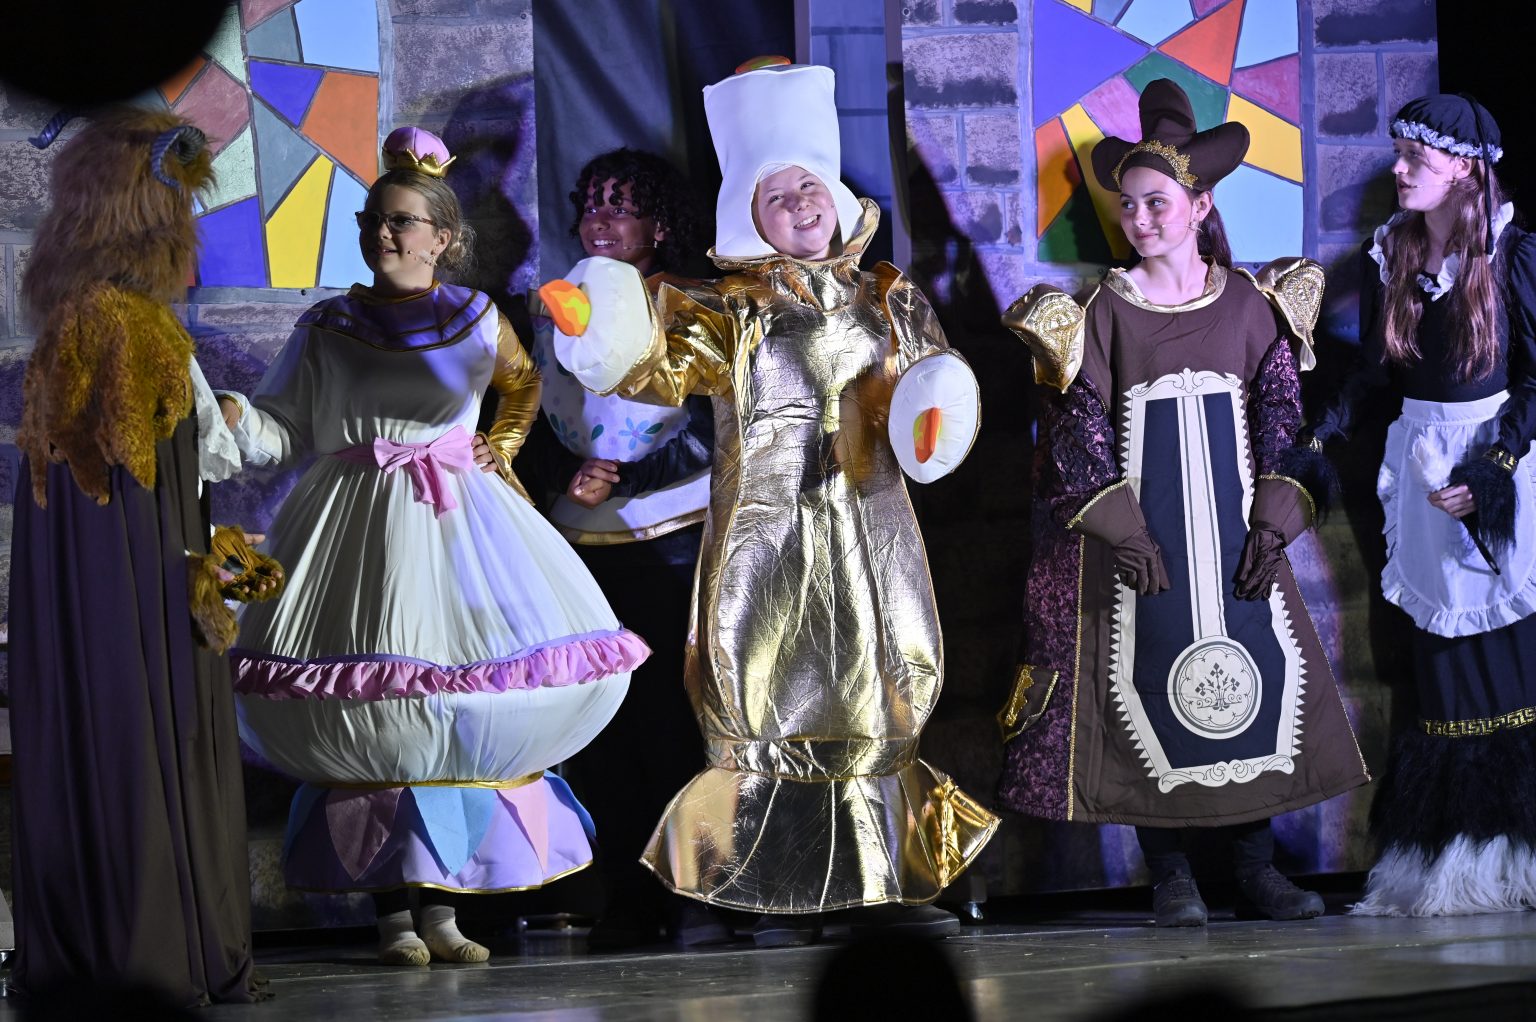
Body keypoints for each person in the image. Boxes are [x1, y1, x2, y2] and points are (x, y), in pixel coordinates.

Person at [546, 60, 995, 947]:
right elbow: (653, 364)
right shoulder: (729, 309)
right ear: (748, 215)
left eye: (807, 185)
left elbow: (935, 396)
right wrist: (595, 324)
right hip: (767, 533)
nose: (797, 203)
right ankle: (762, 891)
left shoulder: (888, 297)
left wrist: (938, 422)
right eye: (774, 194)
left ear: (835, 192)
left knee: (875, 691)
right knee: (763, 696)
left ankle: (883, 884)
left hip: (866, 529)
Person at [216, 127, 647, 965]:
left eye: (401, 220)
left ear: (442, 237)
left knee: (450, 703)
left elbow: (522, 382)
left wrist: (502, 442)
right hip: (355, 519)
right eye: (374, 219)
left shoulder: (476, 316)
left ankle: (444, 912)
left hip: (457, 517)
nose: (383, 233)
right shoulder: (329, 323)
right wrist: (236, 417)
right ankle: (391, 917)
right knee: (377, 701)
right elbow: (285, 426)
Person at [997, 79, 1369, 927]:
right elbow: (1078, 428)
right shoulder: (1101, 312)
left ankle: (1255, 869)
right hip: (1146, 543)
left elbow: (1281, 413)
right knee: (1146, 688)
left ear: (1200, 207)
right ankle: (1171, 876)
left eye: (1157, 203)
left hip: (1236, 539)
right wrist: (1122, 530)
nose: (1140, 219)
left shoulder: (1247, 304)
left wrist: (1277, 521)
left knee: (1257, 684)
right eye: (1128, 205)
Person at [8, 108, 270, 1004]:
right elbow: (158, 466)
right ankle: (156, 939)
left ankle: (124, 936)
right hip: (141, 585)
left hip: (120, 579)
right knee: (149, 728)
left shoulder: (80, 323)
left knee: (119, 721)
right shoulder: (130, 328)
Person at [1305, 95, 1536, 915]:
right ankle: (1444, 853)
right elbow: (1376, 372)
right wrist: (1321, 433)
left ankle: (1511, 854)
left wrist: (1498, 465)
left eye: (1415, 158)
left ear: (1465, 169)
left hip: (1494, 460)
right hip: (1420, 463)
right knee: (1437, 657)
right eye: (1399, 154)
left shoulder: (1512, 255)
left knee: (1500, 650)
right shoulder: (1395, 254)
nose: (1398, 170)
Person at [532, 148, 728, 949]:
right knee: (601, 726)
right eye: (593, 203)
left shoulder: (691, 304)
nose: (602, 220)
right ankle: (626, 895)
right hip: (581, 545)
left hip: (670, 536)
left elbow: (717, 422)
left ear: (660, 225)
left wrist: (628, 476)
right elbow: (530, 411)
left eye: (623, 205)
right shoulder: (556, 301)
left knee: (674, 723)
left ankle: (696, 891)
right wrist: (566, 474)